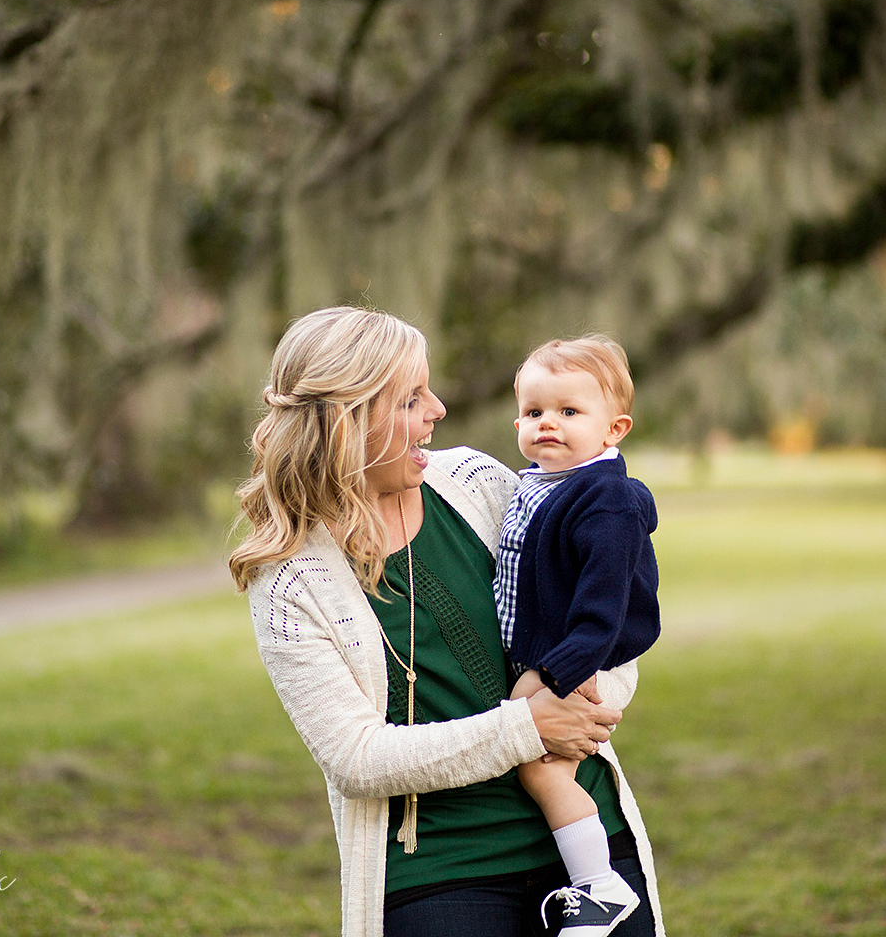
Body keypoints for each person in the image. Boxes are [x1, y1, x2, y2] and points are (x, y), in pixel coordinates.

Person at [229, 307, 664, 937]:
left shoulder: (479, 484)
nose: (438, 409)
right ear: (347, 422)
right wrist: (527, 727)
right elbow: (356, 758)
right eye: (411, 399)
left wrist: (587, 704)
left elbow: (604, 600)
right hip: (437, 867)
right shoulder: (290, 580)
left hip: (584, 833)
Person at [494, 336, 660, 937]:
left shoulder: (608, 499)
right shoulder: (539, 484)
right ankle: (593, 883)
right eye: (535, 412)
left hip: (583, 659)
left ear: (614, 428)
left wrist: (554, 674)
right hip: (558, 654)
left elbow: (605, 606)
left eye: (569, 412)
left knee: (539, 767)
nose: (548, 425)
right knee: (543, 766)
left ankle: (599, 886)